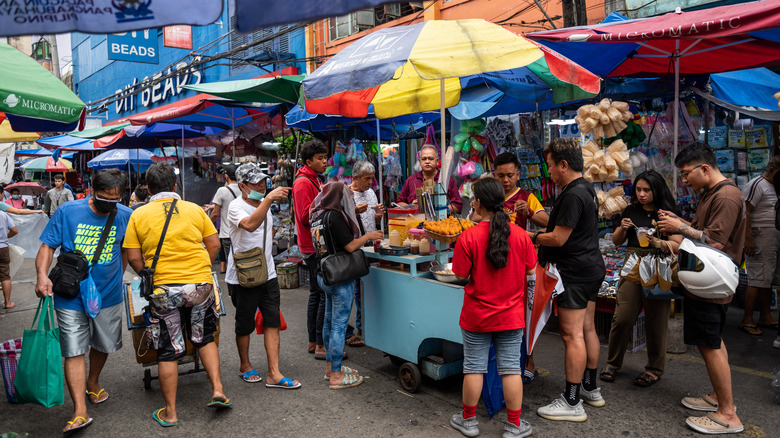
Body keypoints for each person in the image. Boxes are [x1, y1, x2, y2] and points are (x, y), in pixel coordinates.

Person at [124, 164, 230, 427]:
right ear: (175, 187)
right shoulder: (194, 209)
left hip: (163, 289)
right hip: (200, 285)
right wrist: (202, 269)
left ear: (148, 189)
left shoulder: (138, 214)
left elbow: (134, 257)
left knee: (168, 349)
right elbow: (214, 244)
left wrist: (147, 275)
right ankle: (218, 390)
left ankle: (170, 412)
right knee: (205, 337)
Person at [34, 169, 133, 434]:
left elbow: (126, 251)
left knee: (103, 343)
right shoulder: (68, 212)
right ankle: (80, 410)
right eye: (103, 197)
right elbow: (46, 247)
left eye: (114, 199)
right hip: (69, 295)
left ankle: (93, 380)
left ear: (121, 195)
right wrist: (42, 276)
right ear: (91, 189)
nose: (108, 203)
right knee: (74, 349)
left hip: (108, 295)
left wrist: (117, 277)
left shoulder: (126, 216)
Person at [656, 142, 745, 435]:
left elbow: (715, 242)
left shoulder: (728, 196)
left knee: (710, 343)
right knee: (712, 340)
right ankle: (719, 397)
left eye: (686, 174)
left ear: (704, 168)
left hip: (712, 282)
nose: (684, 180)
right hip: (704, 281)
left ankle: (728, 415)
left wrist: (680, 228)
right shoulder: (711, 193)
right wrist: (679, 222)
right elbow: (702, 231)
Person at [449, 178, 537, 438]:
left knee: (474, 367)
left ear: (477, 203)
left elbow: (460, 274)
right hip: (511, 316)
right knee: (511, 369)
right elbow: (531, 271)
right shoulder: (521, 236)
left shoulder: (468, 236)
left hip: (477, 315)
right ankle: (514, 425)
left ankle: (468, 421)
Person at [533, 138, 605, 422]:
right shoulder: (585, 188)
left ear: (564, 165)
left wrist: (530, 236)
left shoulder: (573, 194)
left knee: (571, 334)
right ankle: (590, 388)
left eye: (551, 166)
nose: (549, 172)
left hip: (574, 272)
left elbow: (559, 238)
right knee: (587, 329)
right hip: (590, 267)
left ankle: (572, 401)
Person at [601, 170, 680, 387]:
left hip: (658, 265)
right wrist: (622, 228)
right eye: (639, 189)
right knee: (622, 316)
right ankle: (612, 363)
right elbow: (617, 241)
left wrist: (658, 242)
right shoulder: (630, 210)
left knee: (656, 320)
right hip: (633, 262)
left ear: (657, 189)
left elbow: (678, 244)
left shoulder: (668, 213)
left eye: (647, 190)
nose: (642, 194)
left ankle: (654, 369)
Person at [225, 163, 300, 388]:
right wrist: (267, 200)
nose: (261, 185)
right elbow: (249, 225)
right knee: (244, 323)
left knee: (272, 321)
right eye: (255, 182)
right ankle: (245, 365)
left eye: (263, 181)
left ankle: (274, 373)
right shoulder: (236, 206)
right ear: (242, 186)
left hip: (268, 273)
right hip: (243, 275)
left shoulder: (263, 204)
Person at [310, 182, 383, 389]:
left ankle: (330, 368)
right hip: (339, 277)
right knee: (339, 326)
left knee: (329, 321)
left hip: (323, 275)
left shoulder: (318, 216)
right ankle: (336, 376)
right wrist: (369, 236)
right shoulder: (334, 216)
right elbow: (350, 246)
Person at [293, 139, 330, 358]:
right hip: (312, 245)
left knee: (316, 293)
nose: (325, 162)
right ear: (309, 161)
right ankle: (320, 344)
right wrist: (330, 207)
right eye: (320, 158)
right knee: (322, 293)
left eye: (325, 157)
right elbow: (305, 215)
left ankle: (312, 341)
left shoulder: (313, 178)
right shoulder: (303, 183)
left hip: (314, 243)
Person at [739, 156, 780, 335]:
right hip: (758, 237)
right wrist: (748, 238)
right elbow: (744, 211)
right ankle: (747, 320)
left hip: (771, 239)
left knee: (766, 278)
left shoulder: (774, 186)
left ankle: (765, 317)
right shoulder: (757, 184)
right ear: (772, 170)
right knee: (756, 279)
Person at [348, 160, 384, 342]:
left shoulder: (371, 194)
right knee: (358, 290)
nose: (371, 182)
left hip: (372, 248)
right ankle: (361, 329)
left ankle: (370, 327)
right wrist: (353, 210)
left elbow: (373, 221)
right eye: (367, 179)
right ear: (355, 178)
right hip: (355, 249)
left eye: (372, 178)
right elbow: (342, 221)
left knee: (370, 289)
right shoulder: (346, 195)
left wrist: (378, 217)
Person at [470, 152, 549, 229]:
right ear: (494, 175)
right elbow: (474, 219)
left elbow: (546, 222)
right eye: (501, 176)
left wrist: (528, 213)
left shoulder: (526, 197)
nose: (505, 180)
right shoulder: (487, 194)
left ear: (518, 175)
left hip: (516, 241)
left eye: (510, 175)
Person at [397, 144, 462, 214]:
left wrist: (441, 209)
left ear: (437, 161)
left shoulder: (446, 179)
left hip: (440, 222)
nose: (427, 162)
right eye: (424, 159)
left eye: (431, 159)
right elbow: (399, 202)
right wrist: (412, 208)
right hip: (416, 222)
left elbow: (457, 206)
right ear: (419, 161)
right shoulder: (411, 180)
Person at [210, 164, 240, 274]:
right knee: (243, 260)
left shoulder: (222, 190)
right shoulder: (244, 188)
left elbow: (215, 213)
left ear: (226, 176)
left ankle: (235, 287)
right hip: (243, 231)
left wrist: (206, 224)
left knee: (231, 263)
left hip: (228, 234)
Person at [0, 210, 17, 309]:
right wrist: (4, 237)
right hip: (2, 248)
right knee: (5, 275)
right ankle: (7, 302)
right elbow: (14, 231)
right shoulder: (3, 214)